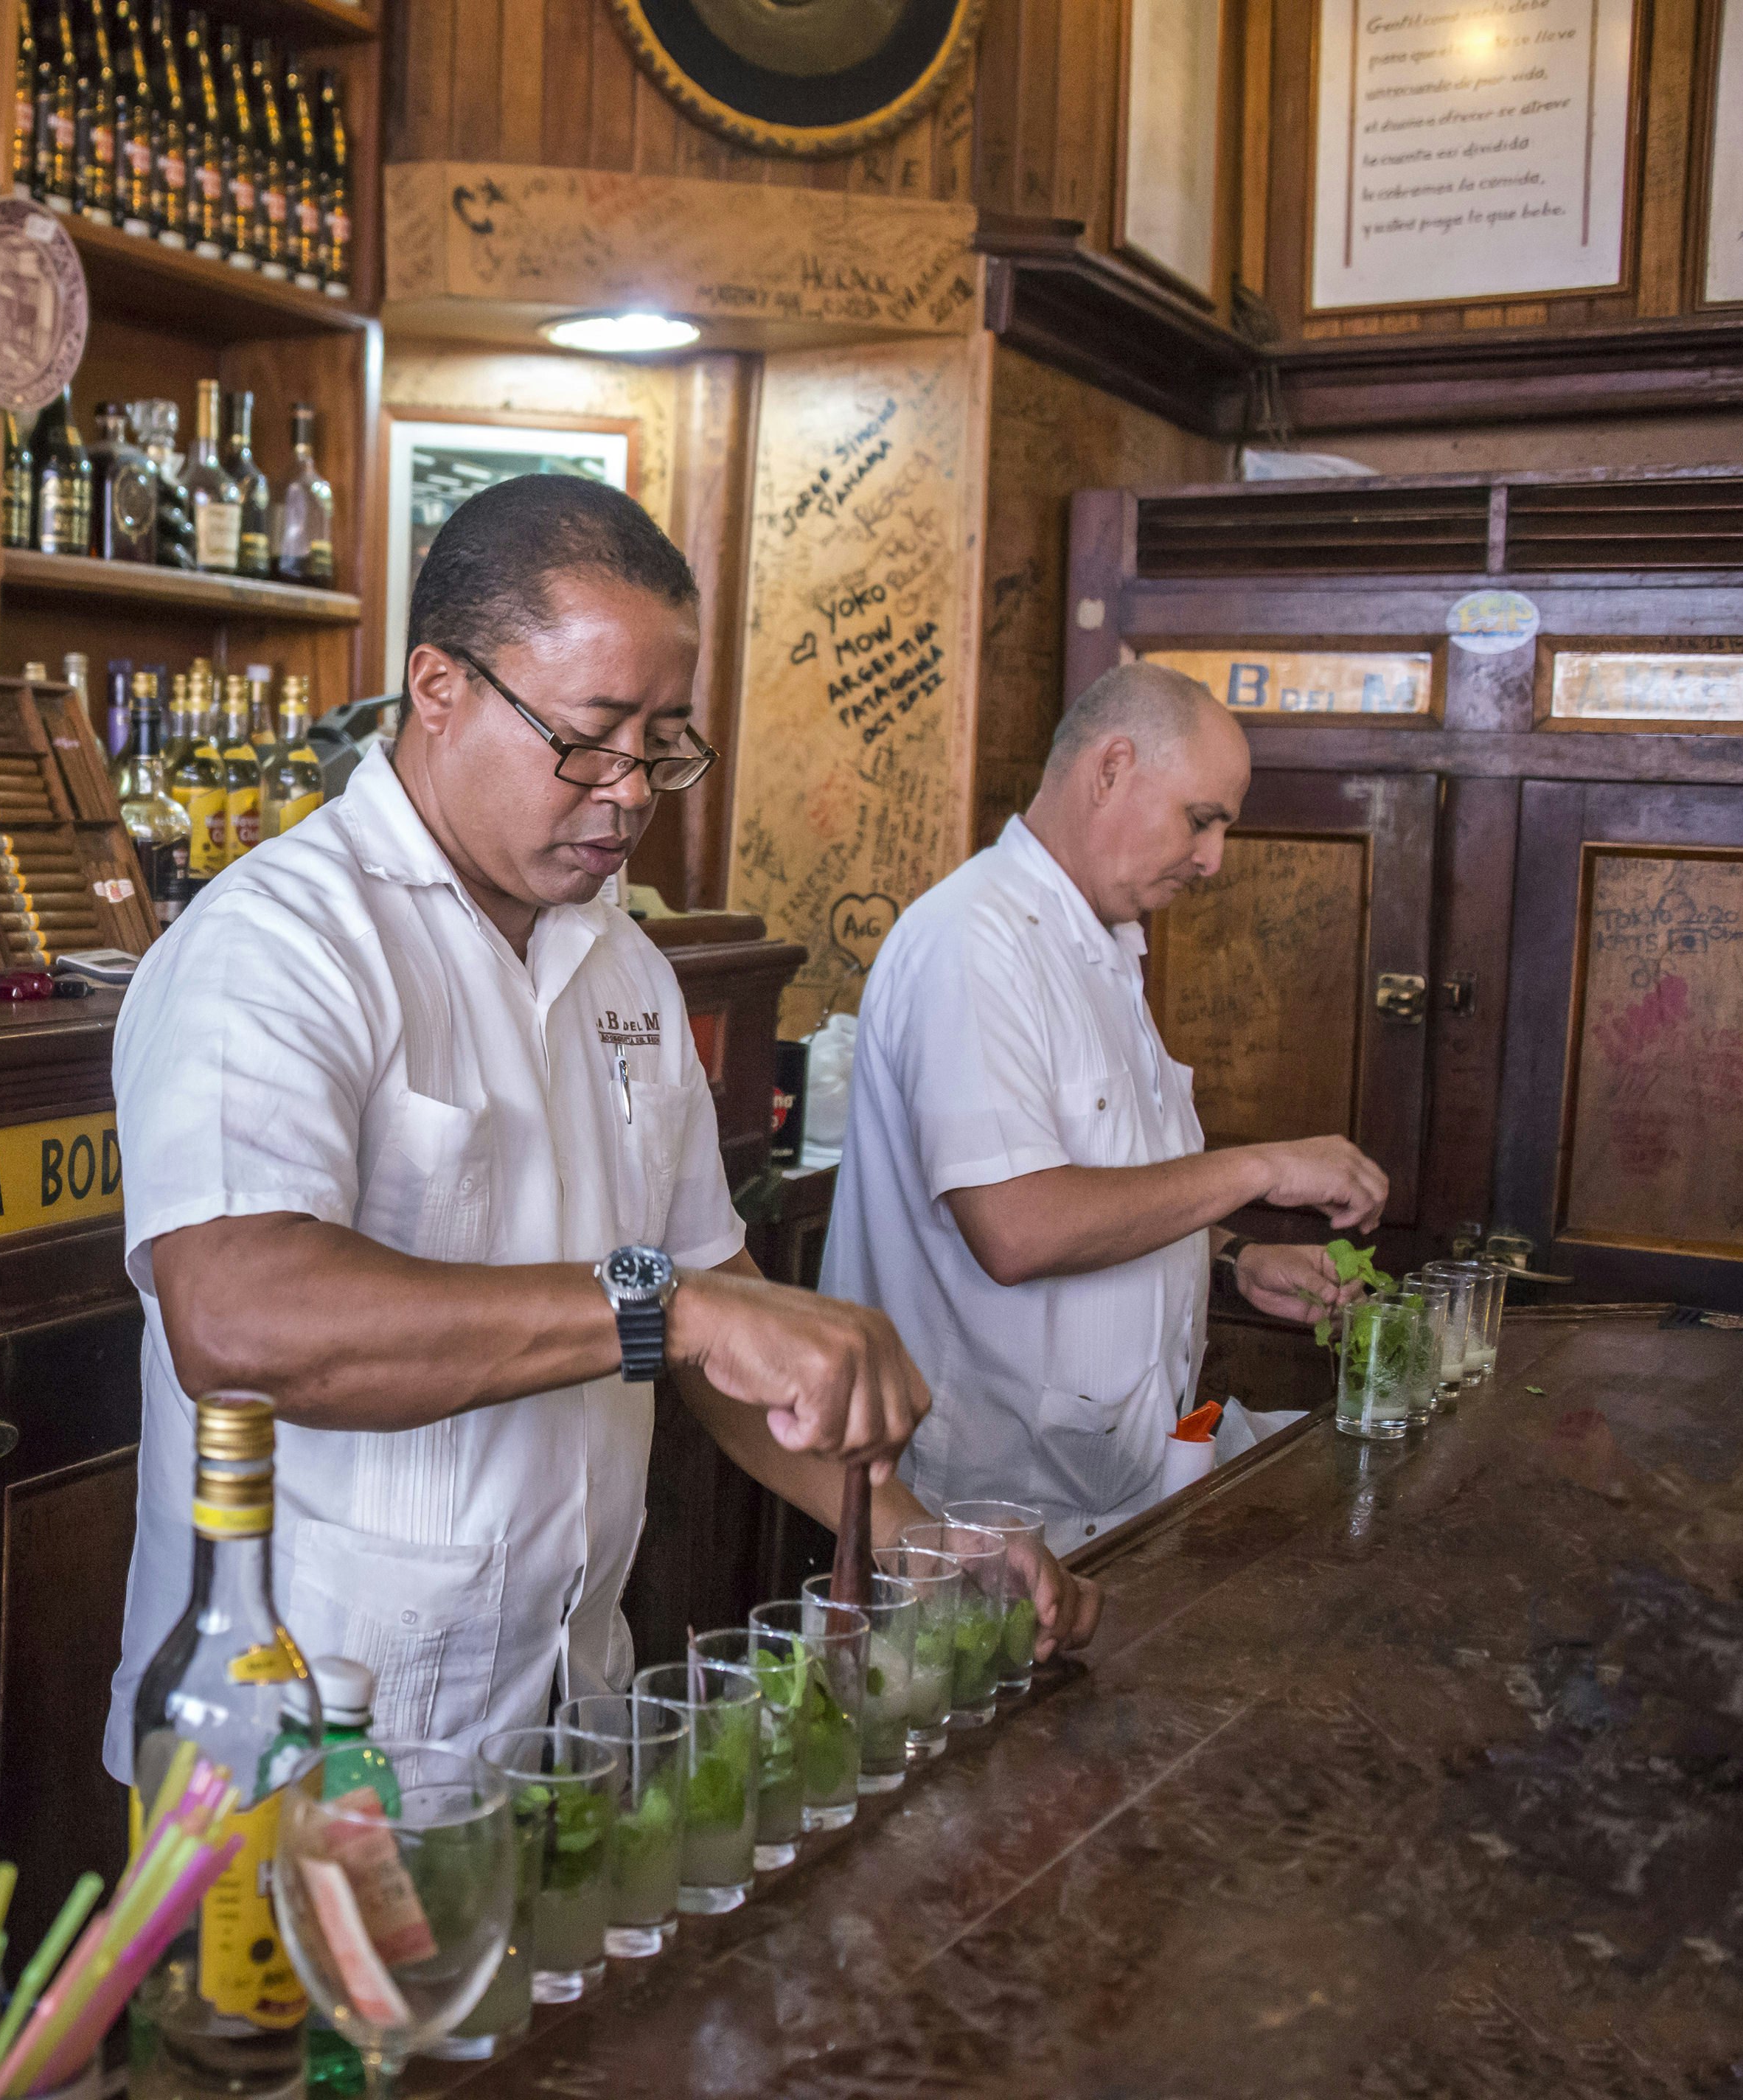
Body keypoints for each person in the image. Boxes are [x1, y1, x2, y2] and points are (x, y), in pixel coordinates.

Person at [102, 475, 1098, 1776]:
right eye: (586, 735)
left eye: (664, 742)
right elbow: (237, 1321)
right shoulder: (276, 941)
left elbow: (712, 1299)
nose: (630, 791)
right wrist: (668, 1309)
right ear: (437, 687)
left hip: (562, 1719)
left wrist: (909, 1531)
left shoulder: (620, 959)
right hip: (303, 1749)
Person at [819, 661, 1391, 1550]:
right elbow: (1017, 1227)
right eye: (1201, 820)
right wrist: (1260, 1167)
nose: (1212, 859)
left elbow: (1101, 1186)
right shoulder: (974, 940)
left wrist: (1232, 1254)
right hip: (978, 1516)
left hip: (1098, 1495)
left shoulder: (1102, 947)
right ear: (1110, 768)